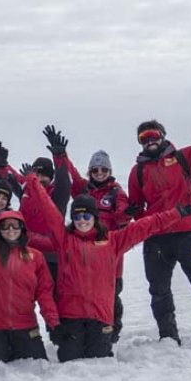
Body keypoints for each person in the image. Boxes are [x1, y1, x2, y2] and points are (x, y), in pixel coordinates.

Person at [31, 178, 189, 361]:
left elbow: (145, 226)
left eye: (87, 216)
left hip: (100, 317)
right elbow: (48, 210)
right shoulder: (65, 240)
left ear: (95, 218)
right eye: (77, 217)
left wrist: (175, 214)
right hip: (70, 317)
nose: (82, 221)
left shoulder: (112, 241)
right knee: (70, 362)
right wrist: (33, 182)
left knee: (99, 362)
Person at [127, 87, 191, 352]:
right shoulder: (137, 172)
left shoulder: (183, 158)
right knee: (158, 290)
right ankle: (169, 339)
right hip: (157, 238)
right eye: (143, 137)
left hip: (188, 234)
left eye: (153, 135)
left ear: (162, 137)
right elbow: (137, 207)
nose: (149, 140)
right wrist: (137, 216)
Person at [54, 144, 131, 343]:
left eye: (104, 169)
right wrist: (61, 155)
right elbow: (72, 172)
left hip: (108, 252)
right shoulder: (83, 189)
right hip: (81, 252)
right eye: (95, 170)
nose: (99, 173)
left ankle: (111, 331)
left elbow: (123, 216)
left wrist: (125, 215)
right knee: (82, 293)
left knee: (112, 294)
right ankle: (85, 332)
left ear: (110, 171)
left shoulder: (116, 193)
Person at [0, 208, 59, 362]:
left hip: (25, 325)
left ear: (22, 228)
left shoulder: (36, 256)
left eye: (15, 225)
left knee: (37, 368)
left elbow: (44, 292)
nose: (10, 230)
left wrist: (52, 319)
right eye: (5, 226)